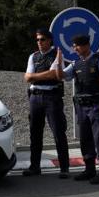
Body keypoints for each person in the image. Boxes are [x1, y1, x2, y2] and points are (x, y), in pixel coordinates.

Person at [57, 34, 99, 184]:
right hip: (81, 106)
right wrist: (58, 63)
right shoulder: (75, 63)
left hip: (96, 105)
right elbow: (62, 76)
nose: (74, 48)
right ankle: (90, 169)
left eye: (76, 45)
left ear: (86, 46)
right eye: (74, 45)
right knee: (85, 138)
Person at [23, 28, 70, 179]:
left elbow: (55, 74)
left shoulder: (57, 54)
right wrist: (42, 75)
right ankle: (34, 167)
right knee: (35, 134)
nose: (39, 42)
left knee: (58, 132)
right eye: (37, 40)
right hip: (35, 97)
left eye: (42, 39)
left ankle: (64, 168)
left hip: (52, 97)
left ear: (49, 40)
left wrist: (35, 76)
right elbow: (27, 78)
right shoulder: (33, 56)